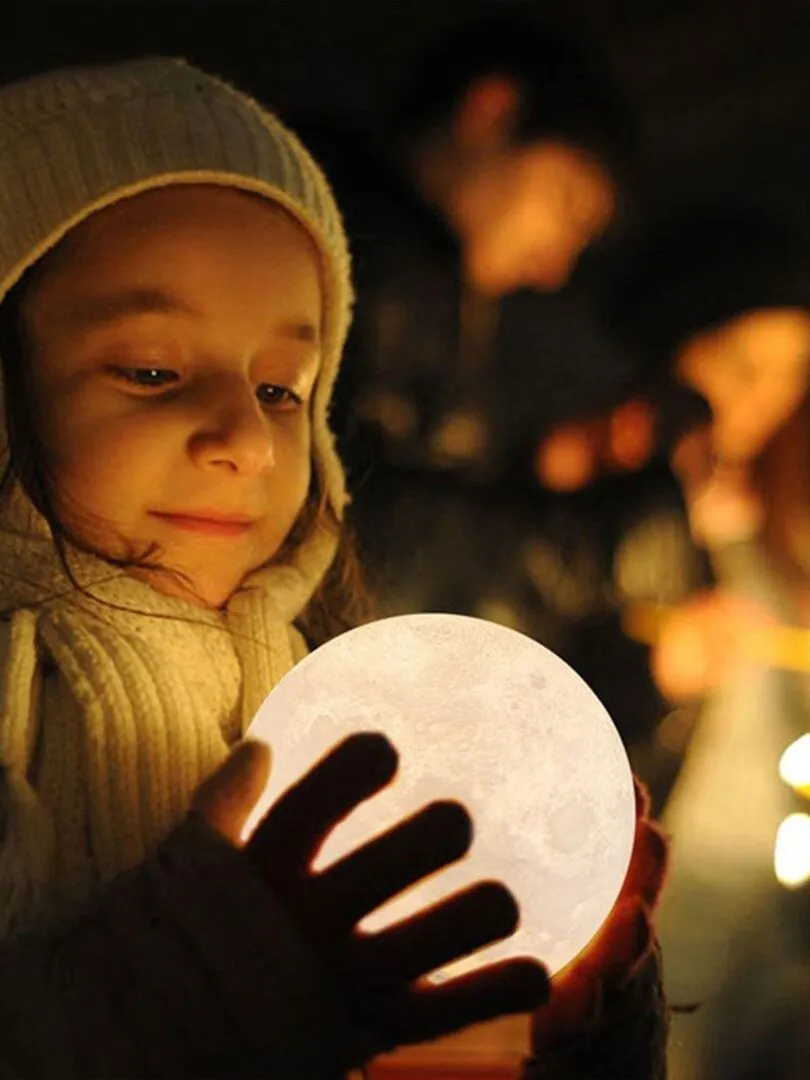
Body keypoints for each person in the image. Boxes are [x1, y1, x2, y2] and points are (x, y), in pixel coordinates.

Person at [0, 55, 667, 1078]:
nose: (249, 442)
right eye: (150, 370)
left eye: (282, 389)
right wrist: (195, 987)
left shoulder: (335, 692)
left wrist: (574, 1017)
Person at [540, 204, 810, 1078]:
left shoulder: (757, 517)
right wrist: (657, 666)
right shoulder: (596, 503)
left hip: (767, 898)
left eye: (791, 372)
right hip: (658, 884)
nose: (763, 398)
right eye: (740, 366)